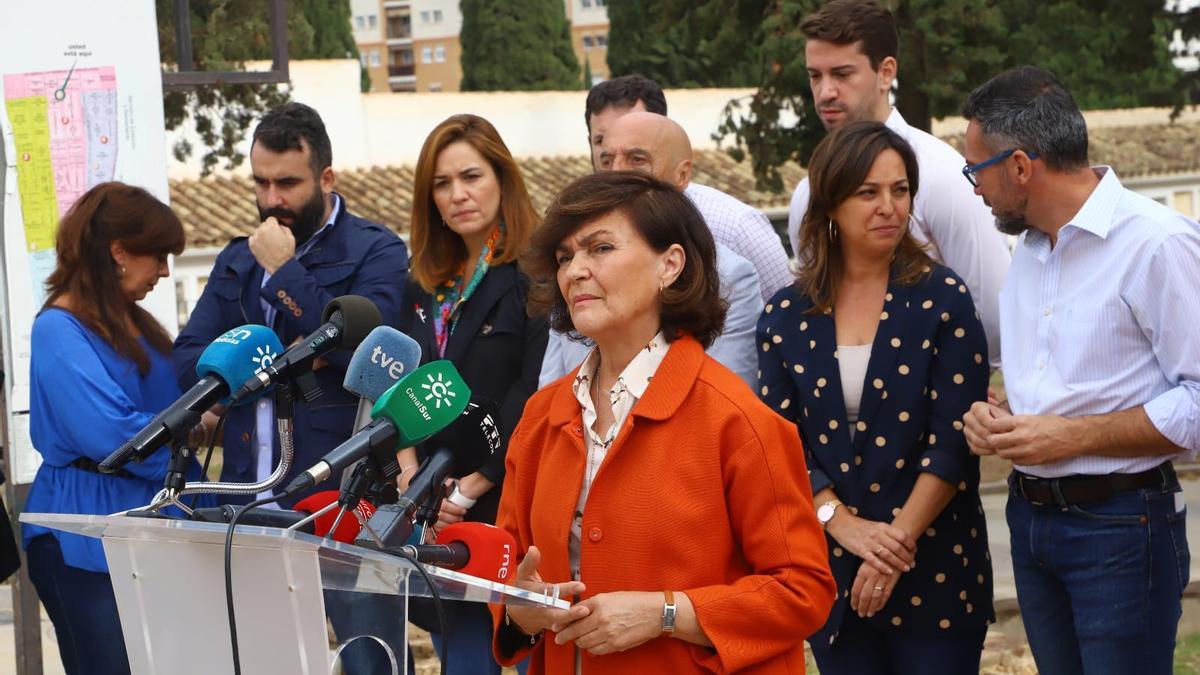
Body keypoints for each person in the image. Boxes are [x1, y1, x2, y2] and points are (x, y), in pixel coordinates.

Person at [492, 171, 836, 673]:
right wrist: (517, 613)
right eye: (565, 257)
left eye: (600, 248)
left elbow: (802, 589)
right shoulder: (542, 416)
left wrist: (667, 613)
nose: (575, 271)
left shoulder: (737, 420)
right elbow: (509, 571)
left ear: (670, 265)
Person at [960, 67, 1200, 675]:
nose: (973, 189)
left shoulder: (1158, 243)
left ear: (1019, 167)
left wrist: (1070, 436)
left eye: (976, 170)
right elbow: (1065, 393)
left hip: (1121, 528)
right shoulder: (1032, 249)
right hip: (1031, 518)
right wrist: (1005, 420)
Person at [172, 102, 409, 674]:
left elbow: (371, 356)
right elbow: (188, 356)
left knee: (367, 661)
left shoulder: (377, 251)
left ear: (326, 178)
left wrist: (284, 277)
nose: (271, 199)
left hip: (341, 499)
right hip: (245, 500)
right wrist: (236, 382)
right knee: (261, 662)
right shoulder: (236, 259)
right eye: (261, 182)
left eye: (287, 183)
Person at [758, 121, 994, 672]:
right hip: (832, 568)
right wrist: (839, 522)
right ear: (830, 203)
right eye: (868, 192)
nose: (889, 206)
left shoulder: (943, 299)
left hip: (936, 564)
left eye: (900, 189)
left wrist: (892, 546)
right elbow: (777, 442)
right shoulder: (786, 315)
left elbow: (953, 441)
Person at [23, 182, 211, 675]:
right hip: (84, 531)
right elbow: (113, 437)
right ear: (119, 251)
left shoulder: (136, 323)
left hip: (151, 525)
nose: (166, 271)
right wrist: (194, 426)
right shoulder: (57, 329)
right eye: (160, 256)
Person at [395, 114, 547, 675]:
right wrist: (409, 467)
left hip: (505, 491)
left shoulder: (536, 271)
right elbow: (404, 376)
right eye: (441, 183)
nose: (457, 194)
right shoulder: (425, 280)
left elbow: (531, 390)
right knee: (461, 657)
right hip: (430, 501)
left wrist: (474, 485)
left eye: (471, 176)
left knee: (527, 648)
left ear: (502, 180)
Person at [788, 0, 1010, 366]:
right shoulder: (808, 193)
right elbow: (815, 306)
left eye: (842, 74)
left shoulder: (940, 174)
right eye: (815, 75)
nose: (825, 91)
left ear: (886, 72)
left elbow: (992, 317)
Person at [541, 110, 763, 389]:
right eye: (606, 160)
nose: (616, 173)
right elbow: (550, 386)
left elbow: (725, 396)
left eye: (637, 160)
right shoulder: (576, 275)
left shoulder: (732, 265)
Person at [584, 74, 792, 300]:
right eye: (602, 141)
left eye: (636, 155)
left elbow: (785, 317)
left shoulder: (735, 228)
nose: (618, 170)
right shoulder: (575, 234)